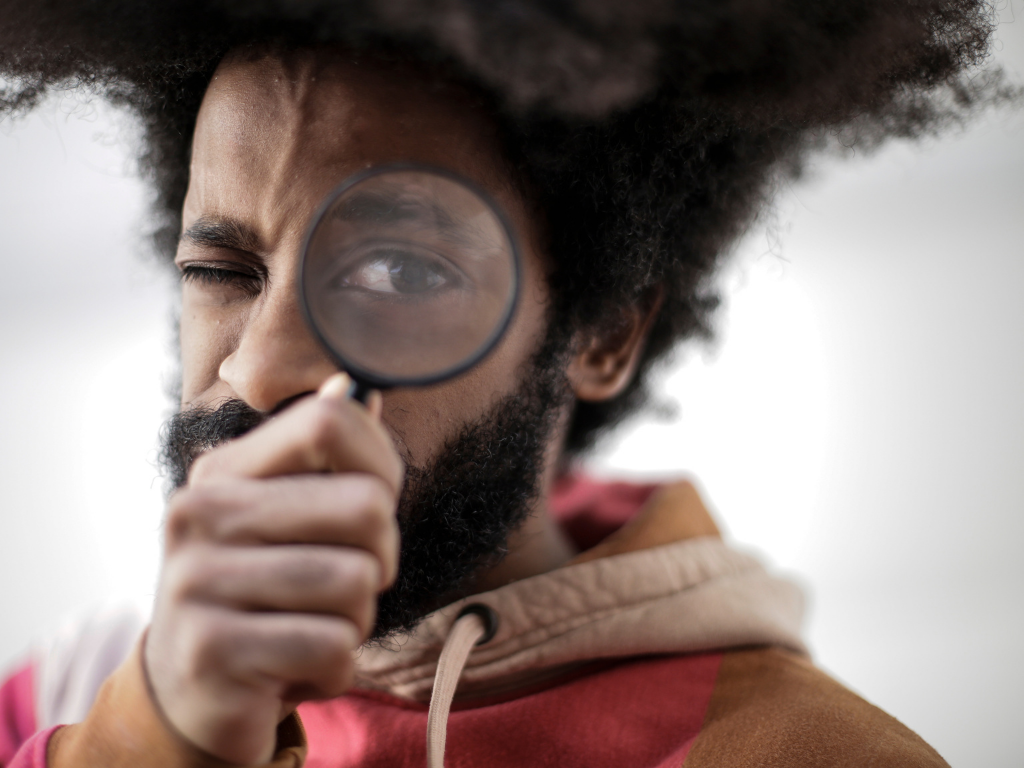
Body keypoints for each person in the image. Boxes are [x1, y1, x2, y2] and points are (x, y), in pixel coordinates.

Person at [0, 2, 1008, 766]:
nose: (258, 368)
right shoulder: (63, 698)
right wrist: (157, 733)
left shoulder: (802, 756)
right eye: (223, 274)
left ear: (605, 331)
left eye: (399, 269)